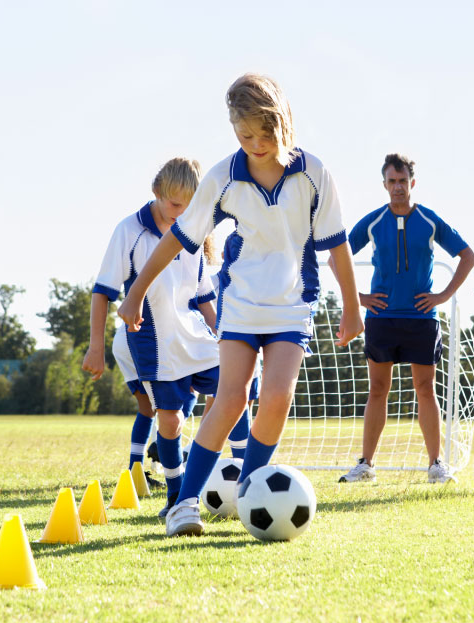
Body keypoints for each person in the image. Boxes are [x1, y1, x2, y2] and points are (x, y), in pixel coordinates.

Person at [118, 73, 362, 537]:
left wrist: (352, 308)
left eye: (264, 134)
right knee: (231, 399)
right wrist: (135, 293)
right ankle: (183, 505)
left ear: (283, 123)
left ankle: (252, 491)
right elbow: (179, 238)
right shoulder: (223, 177)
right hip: (243, 302)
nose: (255, 144)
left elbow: (337, 244)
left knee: (276, 398)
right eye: (244, 134)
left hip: (292, 305)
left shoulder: (314, 173)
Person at [83, 158, 222, 512]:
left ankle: (244, 474)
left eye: (188, 206)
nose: (181, 212)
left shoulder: (193, 230)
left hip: (196, 335)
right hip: (153, 342)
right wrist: (95, 347)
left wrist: (222, 334)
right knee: (171, 420)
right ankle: (176, 495)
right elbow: (102, 291)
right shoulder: (129, 231)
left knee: (233, 391)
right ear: (157, 194)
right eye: (175, 204)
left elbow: (204, 295)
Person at [338, 153, 474, 484]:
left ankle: (436, 465)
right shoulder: (373, 221)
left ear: (412, 183)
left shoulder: (428, 220)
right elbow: (336, 257)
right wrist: (358, 299)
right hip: (381, 319)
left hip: (421, 319)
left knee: (425, 389)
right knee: (377, 390)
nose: (397, 187)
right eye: (392, 181)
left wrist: (443, 296)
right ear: (384, 184)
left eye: (403, 181)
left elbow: (468, 256)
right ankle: (366, 464)